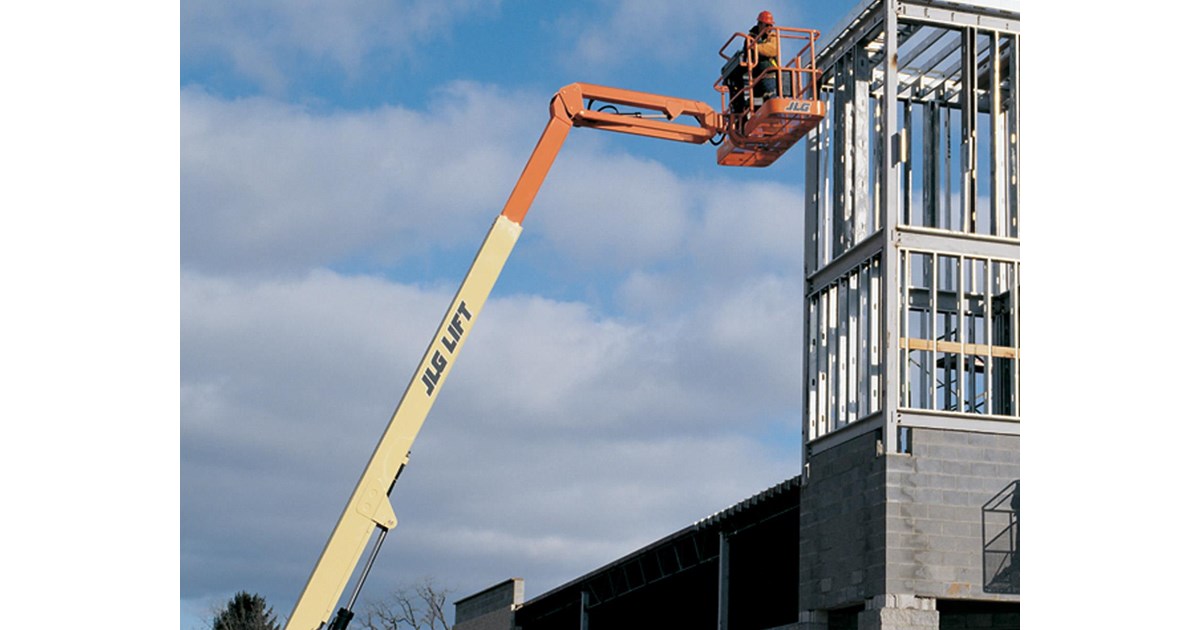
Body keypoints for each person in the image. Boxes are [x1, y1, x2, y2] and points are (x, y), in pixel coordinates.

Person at [748, 11, 780, 101]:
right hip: (756, 76)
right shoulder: (750, 38)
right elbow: (748, 51)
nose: (769, 28)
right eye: (767, 25)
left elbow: (773, 50)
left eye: (771, 26)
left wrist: (757, 47)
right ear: (759, 24)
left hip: (770, 74)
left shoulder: (772, 36)